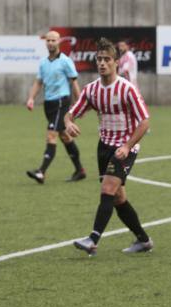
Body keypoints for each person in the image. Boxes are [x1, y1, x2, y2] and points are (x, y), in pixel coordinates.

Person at [64, 38, 153, 255]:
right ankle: (143, 240)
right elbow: (72, 112)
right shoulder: (92, 90)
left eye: (107, 59)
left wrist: (128, 145)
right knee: (118, 198)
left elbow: (144, 121)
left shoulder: (127, 89)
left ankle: (93, 239)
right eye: (99, 59)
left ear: (116, 63)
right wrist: (68, 123)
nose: (102, 63)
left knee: (107, 190)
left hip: (125, 148)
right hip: (103, 146)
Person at [25, 30, 85, 184]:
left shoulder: (65, 61)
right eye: (48, 40)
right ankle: (80, 170)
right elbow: (39, 82)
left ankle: (41, 172)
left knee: (52, 135)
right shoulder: (44, 63)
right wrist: (31, 98)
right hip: (49, 104)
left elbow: (74, 83)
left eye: (53, 40)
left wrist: (80, 105)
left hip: (61, 102)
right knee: (65, 136)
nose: (50, 43)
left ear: (59, 42)